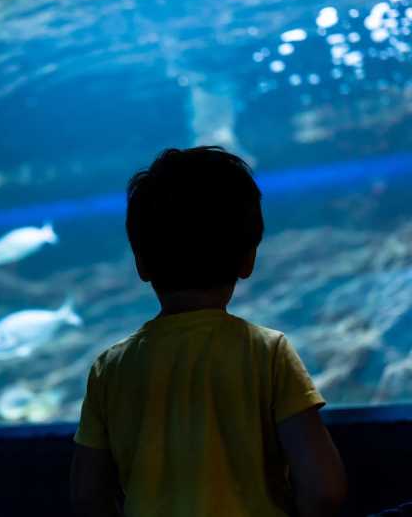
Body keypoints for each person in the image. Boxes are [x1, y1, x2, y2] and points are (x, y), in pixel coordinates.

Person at [70, 146, 347, 517]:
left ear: (141, 263)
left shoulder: (109, 369)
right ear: (248, 259)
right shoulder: (268, 353)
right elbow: (323, 490)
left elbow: (88, 497)